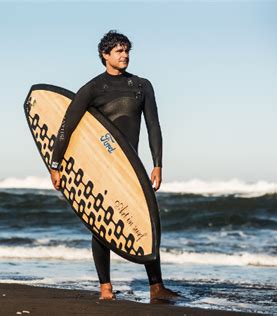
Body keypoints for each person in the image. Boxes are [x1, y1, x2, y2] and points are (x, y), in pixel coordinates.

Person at [49, 30, 180, 301]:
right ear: (105, 55)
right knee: (101, 224)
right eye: (119, 51)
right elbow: (67, 127)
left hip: (131, 168)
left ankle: (157, 287)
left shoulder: (142, 85)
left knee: (147, 219)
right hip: (101, 170)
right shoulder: (94, 88)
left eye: (127, 50)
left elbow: (153, 126)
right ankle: (105, 288)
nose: (125, 55)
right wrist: (55, 163)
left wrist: (157, 164)